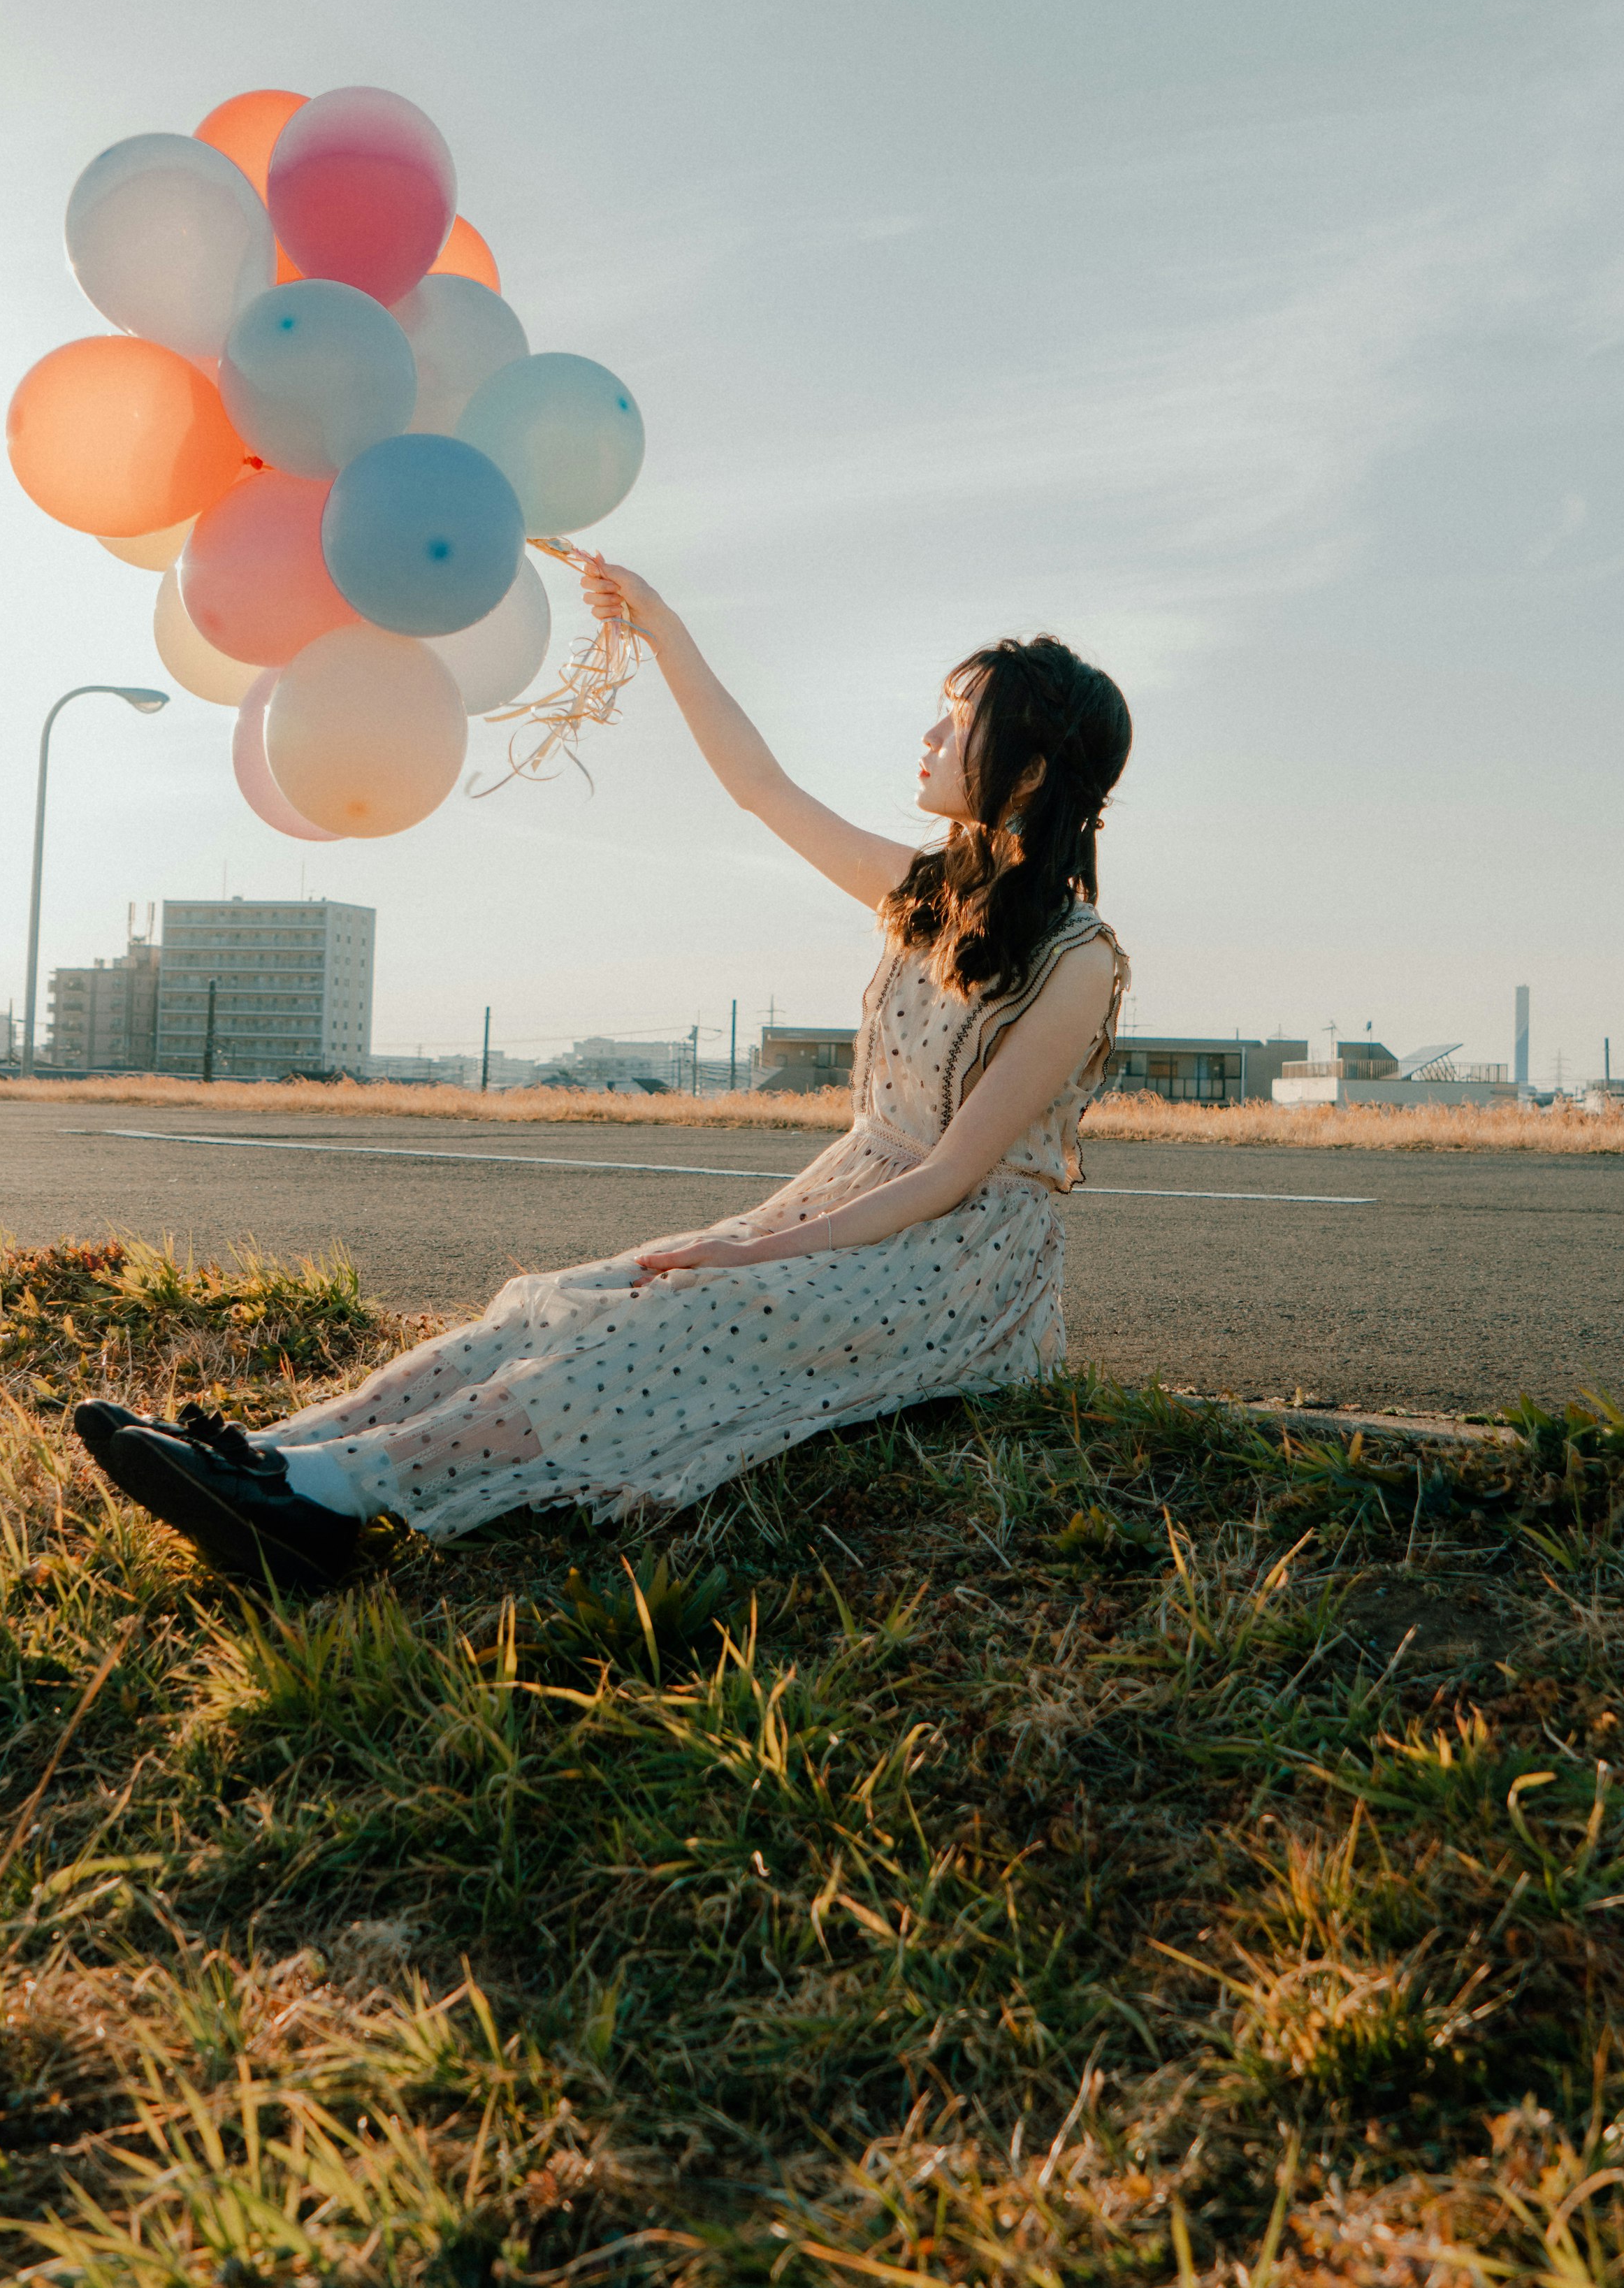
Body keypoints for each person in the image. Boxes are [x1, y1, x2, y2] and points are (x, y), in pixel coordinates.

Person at [76, 567, 1132, 1587]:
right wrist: (662, 623)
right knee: (570, 1298)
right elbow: (761, 786)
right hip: (857, 1203)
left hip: (958, 1264)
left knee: (678, 1314)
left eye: (960, 718)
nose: (930, 736)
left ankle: (334, 1497)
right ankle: (266, 1456)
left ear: (1031, 768)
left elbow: (950, 1176)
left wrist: (748, 1246)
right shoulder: (926, 891)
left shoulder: (1077, 958)